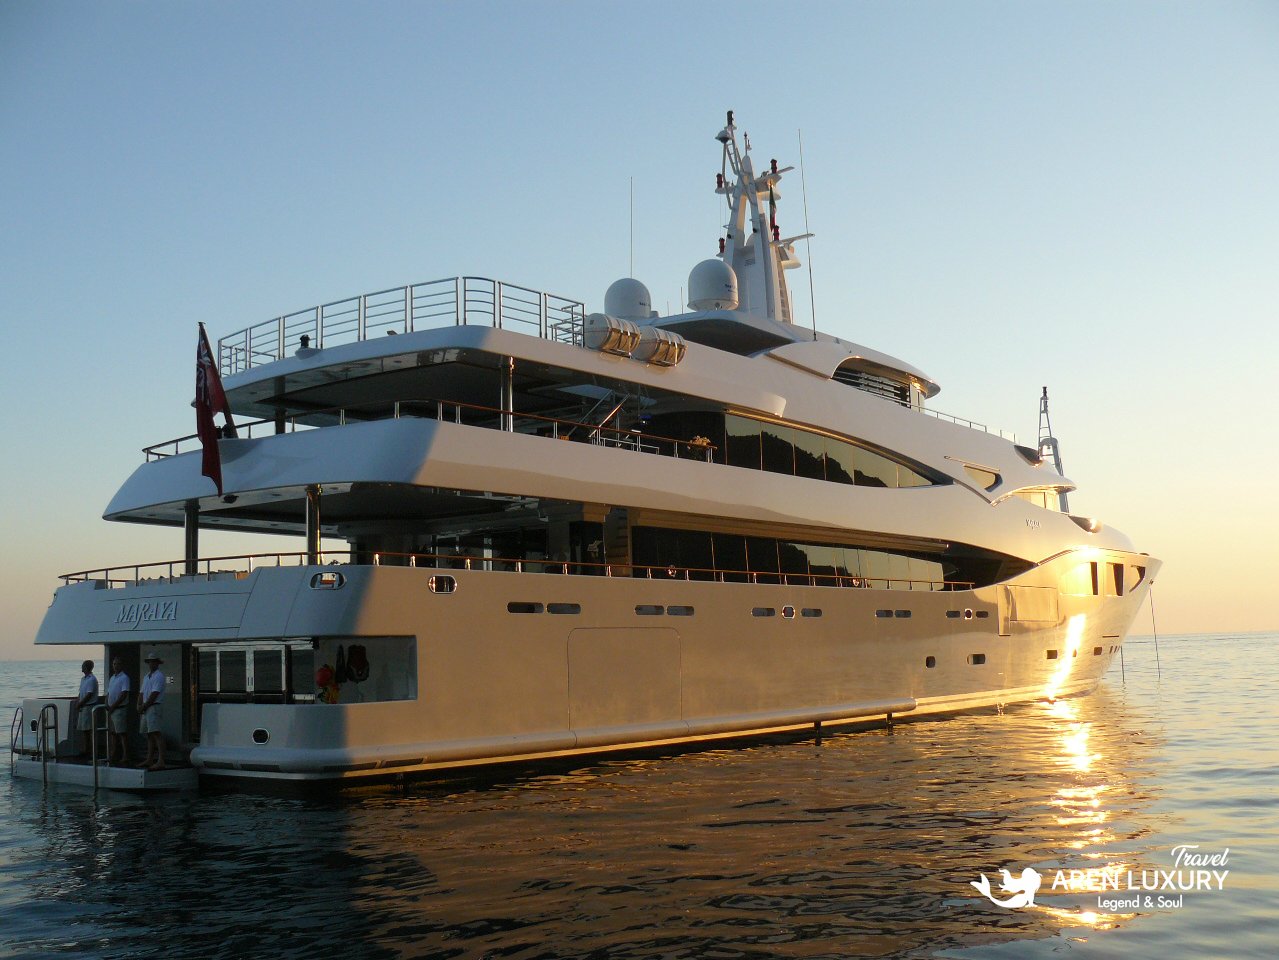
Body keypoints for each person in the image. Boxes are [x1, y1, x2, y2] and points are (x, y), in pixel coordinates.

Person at [136, 651, 167, 771]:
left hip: (154, 706)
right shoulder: (146, 676)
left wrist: (143, 706)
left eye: (153, 661)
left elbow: (155, 693)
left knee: (156, 733)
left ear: (157, 663)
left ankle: (161, 760)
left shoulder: (159, 675)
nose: (151, 664)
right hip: (146, 707)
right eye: (150, 662)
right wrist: (139, 704)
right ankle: (149, 758)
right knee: (149, 734)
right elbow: (142, 692)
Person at [105, 656, 131, 765]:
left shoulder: (124, 678)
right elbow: (109, 692)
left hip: (119, 709)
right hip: (110, 709)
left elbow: (124, 694)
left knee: (121, 733)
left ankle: (125, 755)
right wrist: (106, 703)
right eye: (114, 664)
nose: (115, 666)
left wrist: (113, 706)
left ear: (122, 665)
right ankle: (113, 754)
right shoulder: (112, 678)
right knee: (112, 733)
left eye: (118, 664)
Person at [75, 660, 99, 758]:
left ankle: (91, 750)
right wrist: (78, 701)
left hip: (89, 707)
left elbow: (89, 694)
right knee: (84, 730)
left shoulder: (92, 679)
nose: (82, 667)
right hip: (83, 707)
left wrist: (80, 703)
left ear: (86, 667)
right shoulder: (83, 679)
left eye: (83, 666)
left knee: (89, 729)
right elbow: (81, 693)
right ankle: (86, 749)